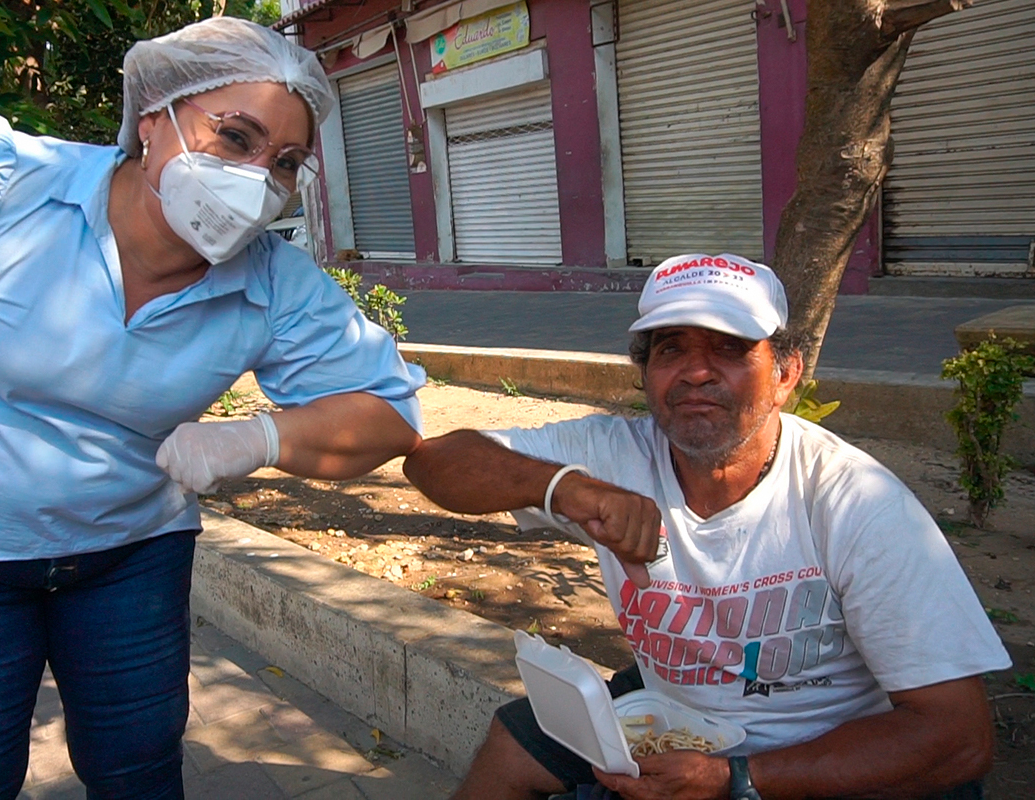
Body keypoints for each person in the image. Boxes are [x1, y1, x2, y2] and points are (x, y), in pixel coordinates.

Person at [0, 18, 424, 800]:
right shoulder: (7, 181)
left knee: (138, 769)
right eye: (234, 137)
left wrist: (261, 436)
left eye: (285, 162)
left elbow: (388, 412)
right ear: (154, 120)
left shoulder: (274, 283)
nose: (258, 177)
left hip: (131, 554)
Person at [403, 253, 1010, 800]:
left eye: (729, 348)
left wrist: (738, 779)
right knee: (514, 745)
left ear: (786, 374)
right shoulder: (613, 456)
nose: (696, 372)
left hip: (818, 752)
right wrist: (565, 488)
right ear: (645, 375)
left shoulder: (858, 504)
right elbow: (432, 461)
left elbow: (957, 738)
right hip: (669, 719)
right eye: (671, 349)